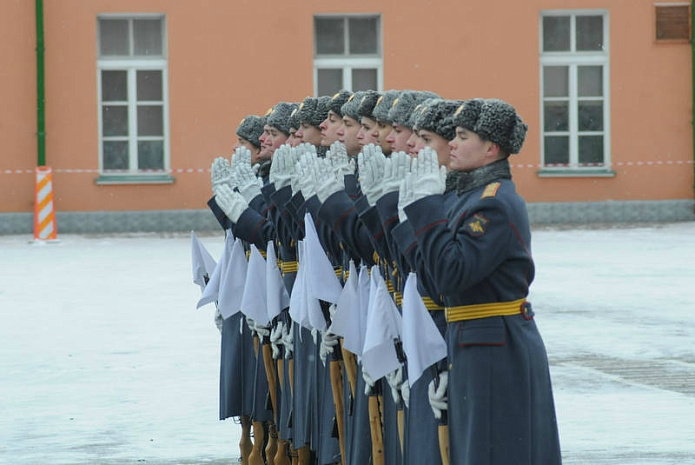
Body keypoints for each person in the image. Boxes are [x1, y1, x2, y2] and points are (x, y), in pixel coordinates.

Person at [398, 98, 562, 465]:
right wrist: (413, 219)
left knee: (492, 447)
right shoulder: (470, 197)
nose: (452, 143)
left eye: (463, 135)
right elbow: (433, 277)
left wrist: (425, 209)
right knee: (473, 448)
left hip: (494, 343)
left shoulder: (493, 203)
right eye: (453, 135)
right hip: (472, 338)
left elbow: (451, 274)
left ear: (491, 148)